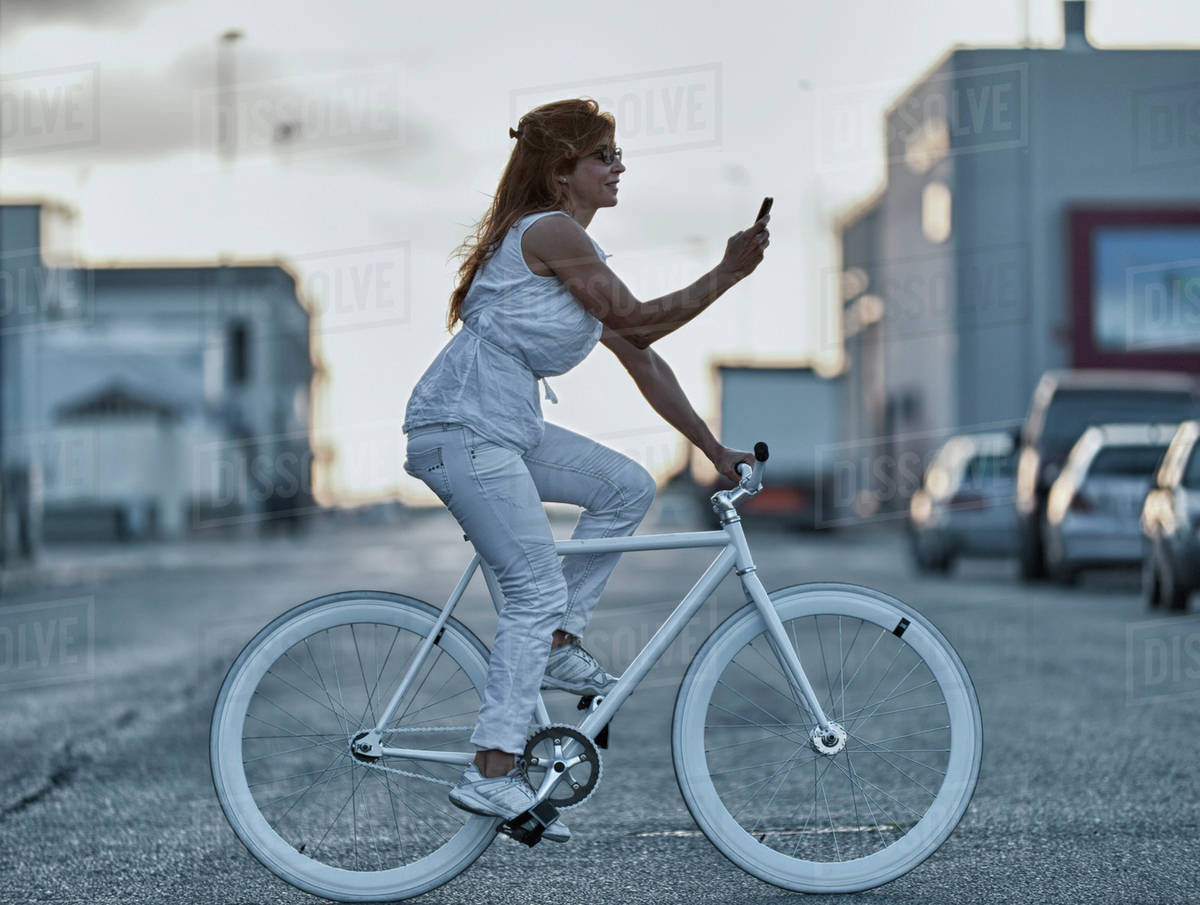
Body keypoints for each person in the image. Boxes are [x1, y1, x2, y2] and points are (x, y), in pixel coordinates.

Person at [401, 98, 770, 840]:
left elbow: (642, 355)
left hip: (501, 429)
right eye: (605, 155)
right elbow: (638, 320)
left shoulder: (572, 250)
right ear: (562, 170)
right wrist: (726, 272)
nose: (620, 166)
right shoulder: (551, 231)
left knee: (626, 485)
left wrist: (712, 449)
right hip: (462, 428)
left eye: (619, 153)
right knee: (532, 589)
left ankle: (560, 644)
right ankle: (493, 770)